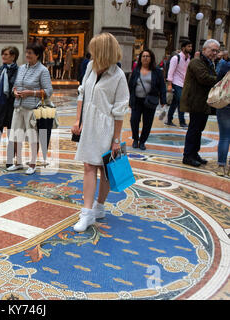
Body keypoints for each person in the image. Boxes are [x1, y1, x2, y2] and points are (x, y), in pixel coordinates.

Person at [71, 32, 129, 232]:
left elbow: (120, 110)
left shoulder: (119, 76)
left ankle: (99, 206)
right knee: (88, 165)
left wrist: (116, 139)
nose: (90, 53)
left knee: (104, 168)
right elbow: (82, 93)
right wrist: (78, 119)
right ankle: (87, 213)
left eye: (94, 49)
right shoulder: (90, 67)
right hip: (88, 123)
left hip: (106, 126)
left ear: (103, 51)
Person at [8, 42, 53, 175]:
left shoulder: (43, 70)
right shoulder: (21, 68)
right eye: (27, 52)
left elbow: (48, 91)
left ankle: (32, 164)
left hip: (32, 109)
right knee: (16, 135)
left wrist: (31, 93)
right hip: (18, 107)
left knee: (33, 137)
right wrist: (14, 92)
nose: (27, 55)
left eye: (30, 53)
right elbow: (15, 86)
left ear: (37, 55)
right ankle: (18, 162)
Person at [180, 39, 219, 167]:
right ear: (204, 50)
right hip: (195, 101)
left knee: (199, 130)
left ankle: (194, 153)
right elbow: (204, 78)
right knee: (194, 129)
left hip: (203, 102)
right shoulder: (196, 62)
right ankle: (188, 156)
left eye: (216, 51)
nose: (214, 53)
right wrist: (220, 80)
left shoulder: (209, 63)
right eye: (212, 50)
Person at [0, 46, 20, 171]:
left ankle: (9, 160)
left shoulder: (19, 71)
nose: (3, 56)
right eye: (3, 54)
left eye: (6, 54)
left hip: (12, 108)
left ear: (13, 56)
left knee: (12, 136)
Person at [128, 49, 167, 151]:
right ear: (140, 58)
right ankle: (135, 139)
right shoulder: (136, 70)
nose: (145, 58)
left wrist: (163, 100)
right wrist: (129, 99)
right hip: (137, 100)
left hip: (150, 101)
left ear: (151, 58)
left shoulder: (157, 71)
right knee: (134, 120)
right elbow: (131, 85)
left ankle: (142, 141)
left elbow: (162, 86)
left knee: (147, 122)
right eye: (143, 56)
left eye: (147, 56)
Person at [165, 40, 193, 128]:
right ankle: (182, 122)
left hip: (183, 84)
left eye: (191, 46)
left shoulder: (188, 58)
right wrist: (169, 84)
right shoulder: (176, 58)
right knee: (182, 101)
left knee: (175, 102)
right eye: (189, 46)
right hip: (176, 83)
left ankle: (169, 120)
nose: (190, 48)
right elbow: (170, 72)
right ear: (183, 48)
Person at [215, 59, 230, 176]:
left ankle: (221, 166)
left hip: (224, 103)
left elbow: (217, 82)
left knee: (224, 136)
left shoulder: (225, 66)